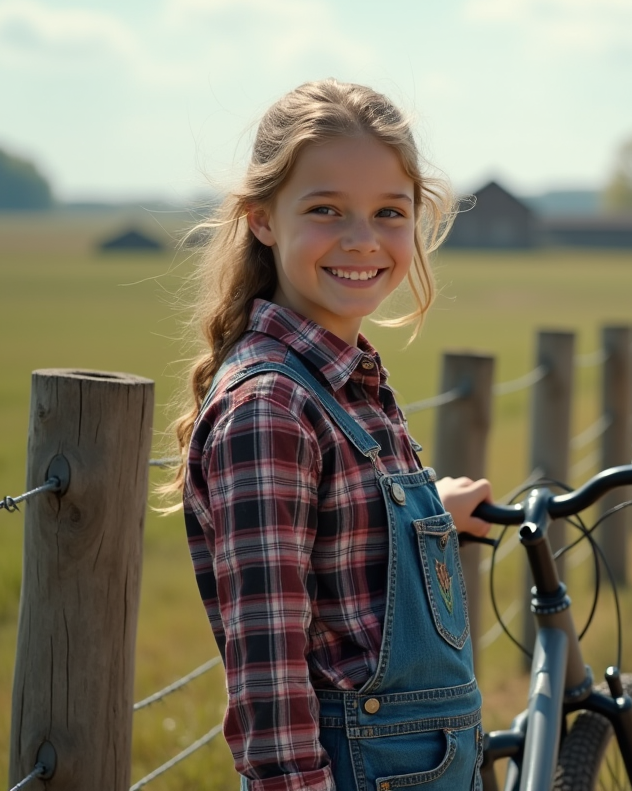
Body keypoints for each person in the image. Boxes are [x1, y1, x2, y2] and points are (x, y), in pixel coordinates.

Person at [163, 79, 493, 791]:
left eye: (388, 212)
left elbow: (344, 540)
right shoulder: (271, 408)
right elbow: (268, 669)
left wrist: (432, 513)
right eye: (325, 210)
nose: (362, 240)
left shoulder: (348, 377)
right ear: (263, 219)